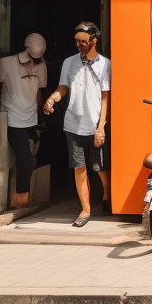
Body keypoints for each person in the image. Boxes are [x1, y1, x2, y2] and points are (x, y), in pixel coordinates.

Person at [44, 21, 111, 227]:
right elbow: (63, 87)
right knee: (79, 167)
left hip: (94, 123)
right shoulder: (69, 62)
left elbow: (105, 97)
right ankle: (85, 209)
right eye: (77, 42)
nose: (80, 45)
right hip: (73, 122)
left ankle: (107, 197)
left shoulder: (104, 64)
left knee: (99, 167)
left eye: (84, 42)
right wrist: (53, 97)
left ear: (94, 40)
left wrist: (101, 127)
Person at [0, 33, 48, 208]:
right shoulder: (6, 63)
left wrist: (40, 111)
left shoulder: (42, 65)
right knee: (23, 159)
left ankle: (21, 199)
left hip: (32, 119)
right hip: (13, 119)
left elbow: (40, 90)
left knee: (30, 160)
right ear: (26, 49)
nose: (35, 62)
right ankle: (19, 201)